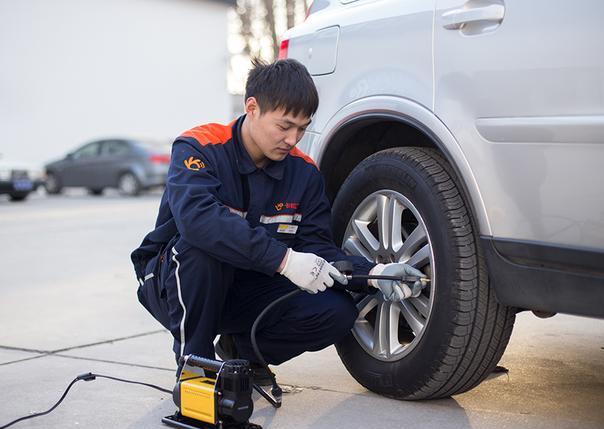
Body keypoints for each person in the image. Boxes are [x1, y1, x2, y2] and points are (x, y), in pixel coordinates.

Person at [131, 59, 426, 384]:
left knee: (336, 312)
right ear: (252, 107)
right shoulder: (200, 148)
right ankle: (195, 367)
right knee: (201, 250)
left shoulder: (304, 173)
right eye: (284, 126)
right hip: (175, 283)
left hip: (249, 285)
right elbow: (197, 221)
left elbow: (316, 247)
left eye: (302, 128)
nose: (292, 138)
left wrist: (371, 273)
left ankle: (243, 353)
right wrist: (284, 261)